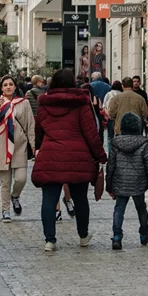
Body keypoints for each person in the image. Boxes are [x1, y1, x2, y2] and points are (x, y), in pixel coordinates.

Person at [32, 69, 108, 253]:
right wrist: (100, 155)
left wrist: (39, 146)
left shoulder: (44, 104)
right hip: (77, 157)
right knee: (80, 198)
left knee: (49, 199)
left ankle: (50, 240)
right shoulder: (81, 103)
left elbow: (39, 130)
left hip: (50, 155)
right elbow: (90, 133)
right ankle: (83, 235)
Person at [0, 75, 36, 222]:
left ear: (15, 87)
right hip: (1, 146)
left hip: (19, 147)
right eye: (5, 85)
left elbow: (30, 125)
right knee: (5, 183)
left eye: (11, 84)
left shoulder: (24, 103)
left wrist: (34, 146)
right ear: (1, 88)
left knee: (21, 179)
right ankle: (5, 211)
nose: (8, 87)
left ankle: (15, 196)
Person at [106, 112, 148, 250]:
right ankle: (144, 233)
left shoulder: (115, 144)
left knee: (119, 209)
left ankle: (117, 236)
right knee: (141, 209)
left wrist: (109, 186)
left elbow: (110, 166)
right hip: (138, 183)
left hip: (120, 182)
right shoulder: (144, 144)